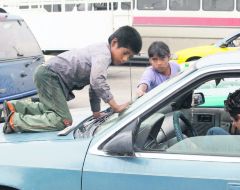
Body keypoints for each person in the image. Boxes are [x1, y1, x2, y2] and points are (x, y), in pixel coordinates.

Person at [2, 25, 142, 133]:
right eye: (125, 53)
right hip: (50, 75)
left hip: (49, 74)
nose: (125, 59)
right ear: (114, 43)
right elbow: (98, 81)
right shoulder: (103, 55)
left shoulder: (101, 53)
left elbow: (95, 88)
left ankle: (13, 107)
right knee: (63, 120)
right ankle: (15, 121)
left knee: (50, 108)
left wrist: (96, 112)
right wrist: (115, 106)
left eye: (129, 57)